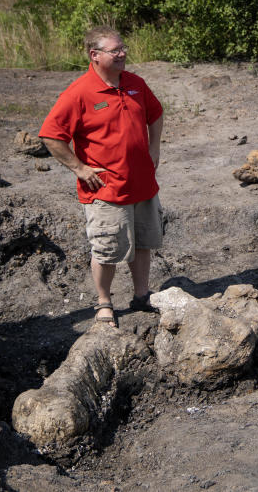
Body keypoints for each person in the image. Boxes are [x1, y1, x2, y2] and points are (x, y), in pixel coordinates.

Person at [40, 26, 164, 327]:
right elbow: (51, 136)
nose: (122, 54)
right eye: (114, 50)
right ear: (94, 55)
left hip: (142, 183)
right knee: (107, 249)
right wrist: (80, 169)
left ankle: (141, 295)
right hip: (106, 188)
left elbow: (155, 113)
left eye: (122, 48)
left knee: (144, 242)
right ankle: (104, 303)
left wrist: (154, 149)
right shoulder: (79, 92)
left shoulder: (135, 83)